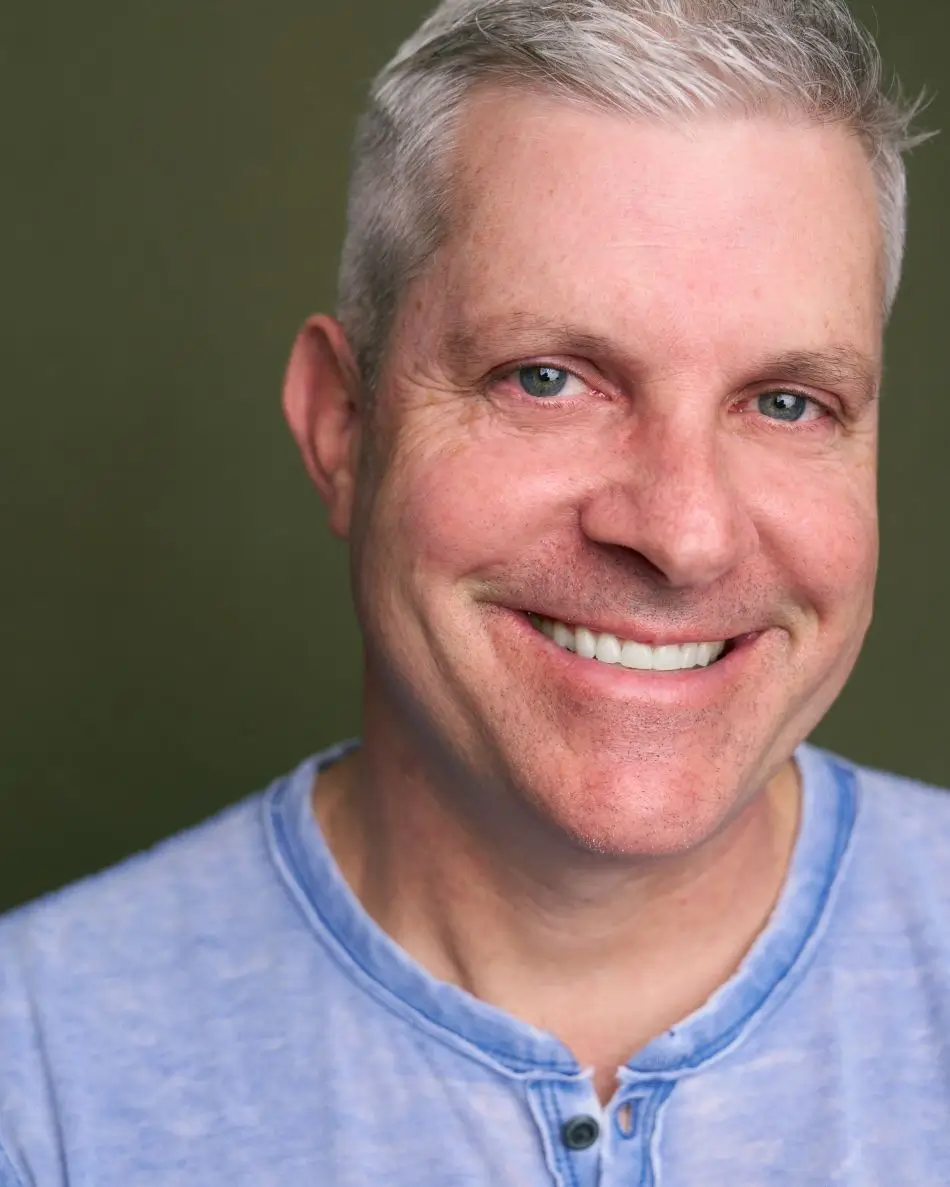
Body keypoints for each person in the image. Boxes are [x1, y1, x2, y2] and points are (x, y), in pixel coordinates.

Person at [1, 0, 946, 1182]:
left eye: (785, 402)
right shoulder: (36, 1076)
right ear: (343, 426)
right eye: (546, 377)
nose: (684, 531)